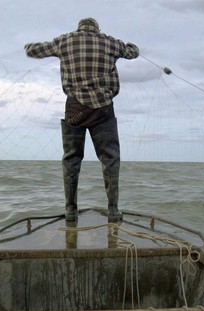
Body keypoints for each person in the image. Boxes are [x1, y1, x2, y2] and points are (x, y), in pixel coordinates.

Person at [25, 18, 139, 222]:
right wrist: (130, 46)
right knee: (110, 159)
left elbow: (34, 51)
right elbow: (133, 52)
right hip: (103, 109)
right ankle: (113, 210)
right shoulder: (110, 42)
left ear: (79, 28)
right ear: (98, 29)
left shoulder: (65, 40)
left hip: (75, 108)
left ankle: (70, 211)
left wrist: (28, 46)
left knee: (71, 158)